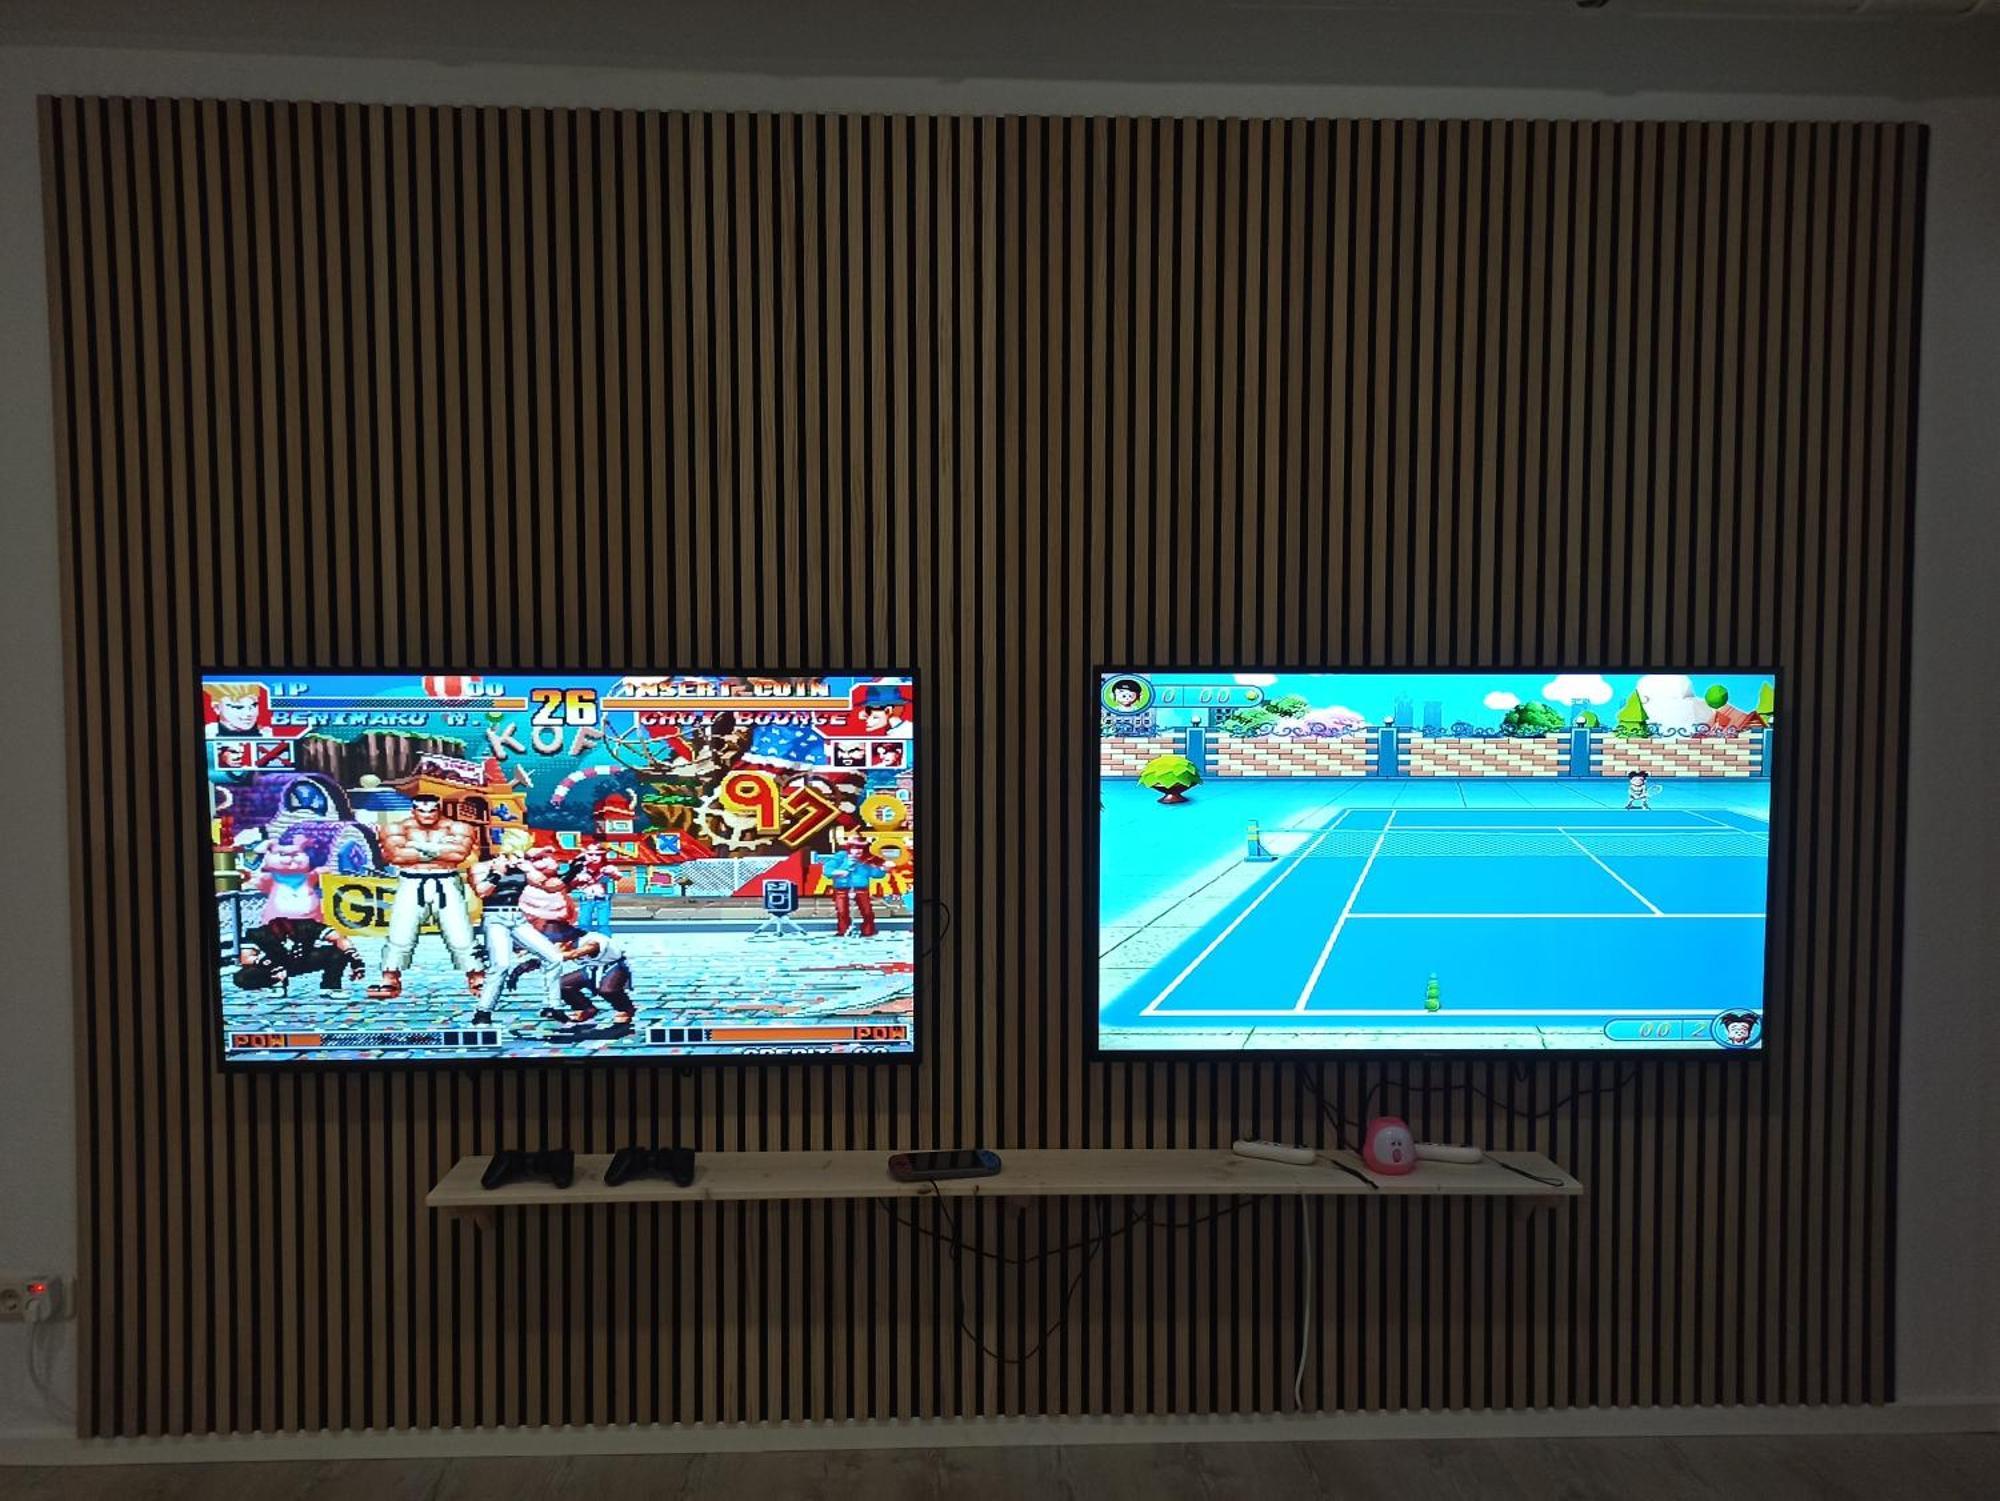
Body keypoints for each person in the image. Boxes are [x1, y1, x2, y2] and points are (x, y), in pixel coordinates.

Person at [367, 792, 481, 1000]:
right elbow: (396, 856)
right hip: (411, 882)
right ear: (414, 810)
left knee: (460, 931)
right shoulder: (397, 828)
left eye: (432, 810)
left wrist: (416, 847)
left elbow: (458, 854)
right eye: (422, 810)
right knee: (401, 931)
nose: (427, 815)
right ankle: (390, 977)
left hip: (446, 881)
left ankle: (476, 975)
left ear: (439, 809)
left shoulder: (458, 827)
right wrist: (440, 851)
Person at [468, 832, 564, 1026]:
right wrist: (497, 873)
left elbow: (550, 886)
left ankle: (553, 1006)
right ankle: (483, 1012)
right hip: (495, 917)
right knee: (500, 965)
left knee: (554, 957)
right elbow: (482, 891)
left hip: (517, 918)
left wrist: (571, 872)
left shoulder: (523, 867)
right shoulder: (483, 867)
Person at [234, 917, 363, 997]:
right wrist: (268, 964)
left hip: (302, 960)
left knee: (338, 952)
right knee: (241, 977)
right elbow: (246, 958)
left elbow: (339, 938)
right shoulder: (257, 933)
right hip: (274, 965)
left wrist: (355, 960)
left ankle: (331, 986)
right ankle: (274, 983)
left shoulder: (306, 926)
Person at [814, 828, 887, 938]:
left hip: (861, 889)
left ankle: (868, 931)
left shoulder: (866, 860)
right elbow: (827, 870)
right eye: (854, 848)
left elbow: (875, 874)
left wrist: (883, 869)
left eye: (860, 848)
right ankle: (843, 931)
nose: (857, 851)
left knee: (867, 912)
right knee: (842, 912)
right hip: (842, 889)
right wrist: (842, 870)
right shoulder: (840, 857)